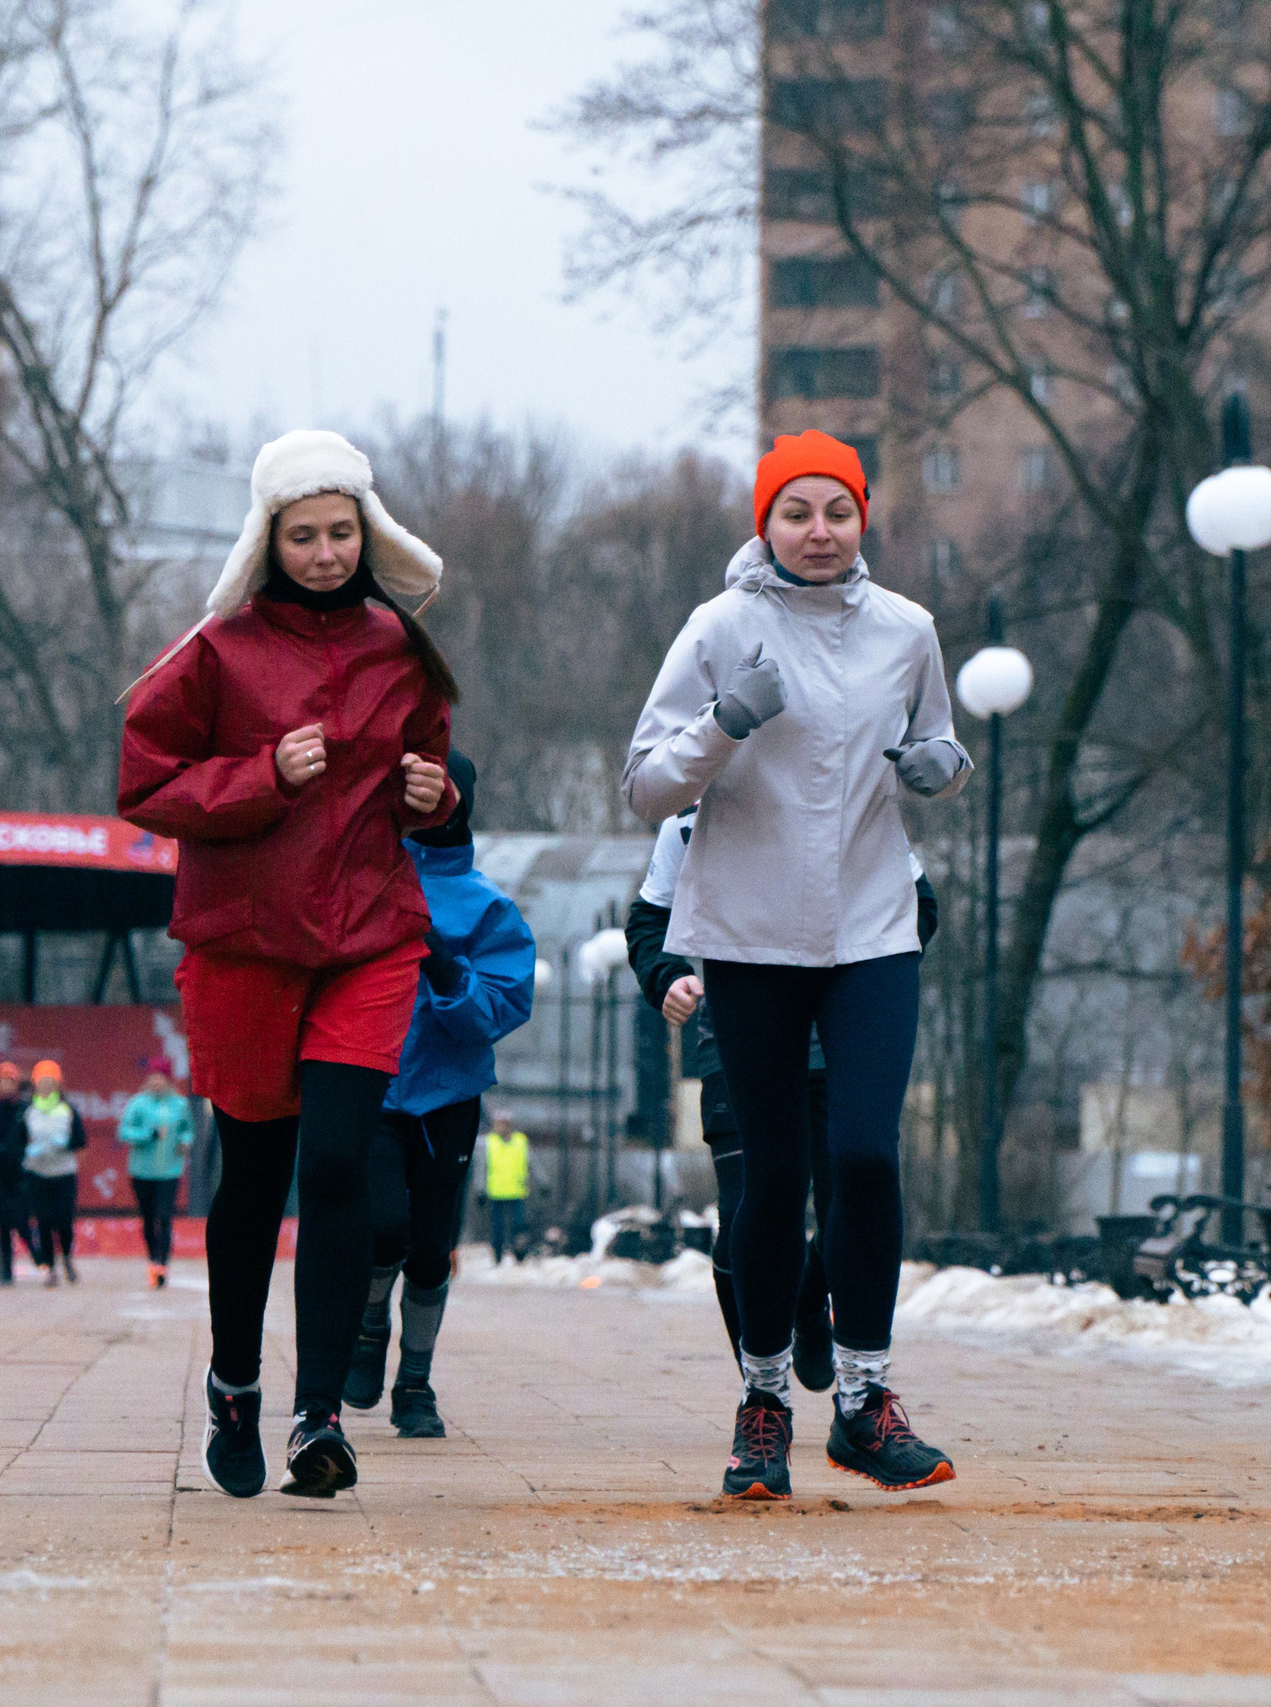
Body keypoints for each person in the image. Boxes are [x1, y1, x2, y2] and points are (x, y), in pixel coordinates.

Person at [622, 429, 970, 1501]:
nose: (818, 532)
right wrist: (723, 724)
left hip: (870, 927)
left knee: (864, 1157)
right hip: (748, 934)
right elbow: (643, 785)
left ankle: (863, 1403)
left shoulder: (907, 630)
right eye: (795, 512)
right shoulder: (719, 628)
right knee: (771, 1179)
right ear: (762, 523)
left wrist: (934, 767)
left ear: (863, 519)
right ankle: (764, 1402)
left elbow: (943, 749)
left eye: (837, 511)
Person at [117, 428, 457, 1499]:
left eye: (339, 531)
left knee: (341, 1165)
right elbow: (144, 782)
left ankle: (318, 1419)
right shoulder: (215, 650)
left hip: (368, 937)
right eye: (302, 535)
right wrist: (262, 774)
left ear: (368, 532)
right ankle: (233, 1385)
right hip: (247, 945)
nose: (322, 552)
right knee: (255, 1176)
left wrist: (434, 796)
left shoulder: (402, 648)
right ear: (269, 540)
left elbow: (436, 772)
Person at [628, 805, 941, 1383]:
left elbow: (919, 904)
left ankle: (808, 1298)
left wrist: (861, 981)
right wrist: (668, 976)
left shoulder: (855, 808)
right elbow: (648, 920)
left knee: (849, 1193)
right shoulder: (693, 823)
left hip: (836, 1049)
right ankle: (760, 1391)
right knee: (748, 1213)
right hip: (736, 1042)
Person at [343, 751, 536, 1438]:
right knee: (384, 1226)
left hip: (448, 1099)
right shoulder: (368, 879)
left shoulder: (486, 905)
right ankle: (368, 1328)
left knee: (430, 1248)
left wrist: (447, 968)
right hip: (375, 1085)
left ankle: (414, 1382)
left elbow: (505, 1003)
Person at [120, 1072, 195, 1288]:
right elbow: (124, 1132)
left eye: (161, 1081)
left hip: (170, 1171)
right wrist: (147, 1134)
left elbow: (188, 1130)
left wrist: (185, 1141)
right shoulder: (138, 1104)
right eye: (153, 1081)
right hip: (142, 1172)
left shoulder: (179, 1104)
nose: (158, 1085)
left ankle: (163, 1263)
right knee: (148, 1217)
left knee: (164, 1217)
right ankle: (152, 1257)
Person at [22, 1060, 87, 1287]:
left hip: (63, 1172)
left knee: (64, 1220)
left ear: (59, 1084)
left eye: (51, 1081)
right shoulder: (28, 1111)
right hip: (37, 1173)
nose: (46, 1086)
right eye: (42, 1081)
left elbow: (80, 1140)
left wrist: (66, 1144)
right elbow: (18, 1140)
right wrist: (27, 1150)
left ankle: (67, 1257)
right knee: (43, 1221)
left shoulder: (68, 1110)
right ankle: (49, 1267)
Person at [0, 1061, 38, 1284]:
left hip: (20, 1172)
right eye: (2, 1081)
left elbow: (34, 1137)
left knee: (21, 1219)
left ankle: (36, 1251)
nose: (6, 1085)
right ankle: (5, 1270)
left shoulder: (26, 1110)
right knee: (2, 1220)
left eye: (10, 1081)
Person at [481, 1113, 529, 1263]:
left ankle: (520, 1253)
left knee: (519, 1225)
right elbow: (482, 1167)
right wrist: (480, 1189)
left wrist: (543, 1183)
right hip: (496, 1192)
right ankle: (497, 1255)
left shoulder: (520, 1141)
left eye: (504, 1123)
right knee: (497, 1227)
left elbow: (532, 1162)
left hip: (517, 1191)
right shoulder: (489, 1142)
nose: (501, 1127)